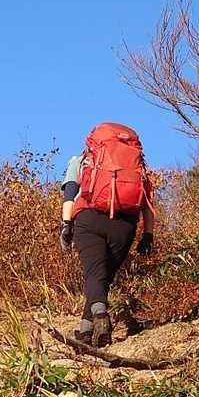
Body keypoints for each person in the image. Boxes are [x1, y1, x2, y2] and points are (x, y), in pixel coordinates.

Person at [60, 124, 155, 348]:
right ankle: (86, 330)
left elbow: (70, 194)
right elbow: (147, 203)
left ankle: (101, 318)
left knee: (94, 274)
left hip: (90, 218)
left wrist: (66, 225)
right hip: (125, 225)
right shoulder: (137, 164)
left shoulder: (81, 160)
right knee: (103, 278)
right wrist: (148, 235)